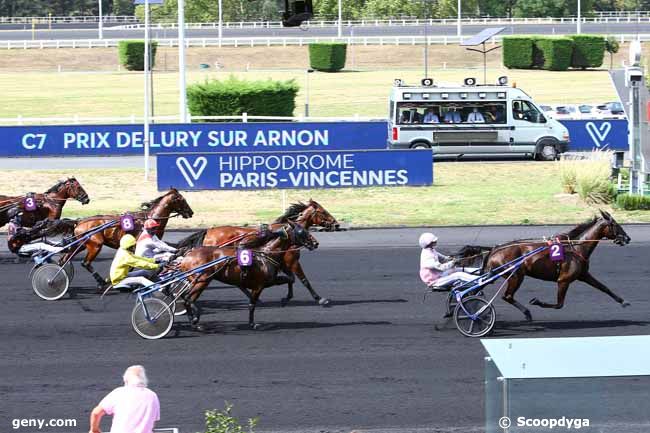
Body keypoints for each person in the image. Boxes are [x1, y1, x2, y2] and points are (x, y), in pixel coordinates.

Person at [89, 365, 160, 433]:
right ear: (144, 379)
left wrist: (94, 430)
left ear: (125, 380)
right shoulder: (153, 396)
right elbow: (152, 421)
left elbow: (96, 413)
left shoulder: (119, 393)